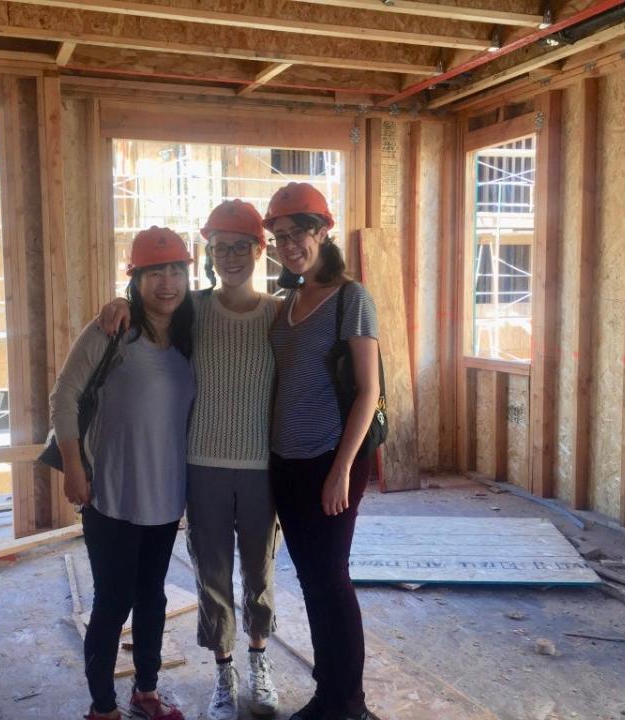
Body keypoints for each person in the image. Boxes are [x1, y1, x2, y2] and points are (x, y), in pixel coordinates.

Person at [99, 200, 280, 720]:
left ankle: (260, 663)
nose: (230, 257)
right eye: (220, 247)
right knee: (213, 575)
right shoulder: (193, 310)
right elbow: (148, 305)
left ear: (258, 249)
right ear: (210, 253)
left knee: (260, 573)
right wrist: (118, 302)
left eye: (241, 246)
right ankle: (225, 675)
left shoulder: (277, 313)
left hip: (260, 468)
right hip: (201, 465)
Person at [50, 226, 196, 720]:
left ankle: (147, 692)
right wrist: (73, 467)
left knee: (152, 597)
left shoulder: (191, 332)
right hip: (110, 493)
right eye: (155, 272)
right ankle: (102, 707)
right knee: (112, 601)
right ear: (137, 279)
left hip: (164, 495)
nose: (168, 282)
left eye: (176, 270)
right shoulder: (112, 330)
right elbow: (63, 396)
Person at [265, 183, 381, 720]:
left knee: (331, 578)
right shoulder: (285, 301)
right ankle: (327, 693)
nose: (289, 245)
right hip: (286, 463)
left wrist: (341, 470)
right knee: (311, 578)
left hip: (331, 461)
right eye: (279, 236)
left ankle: (348, 703)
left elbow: (368, 390)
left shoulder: (350, 297)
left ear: (323, 231)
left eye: (300, 233)